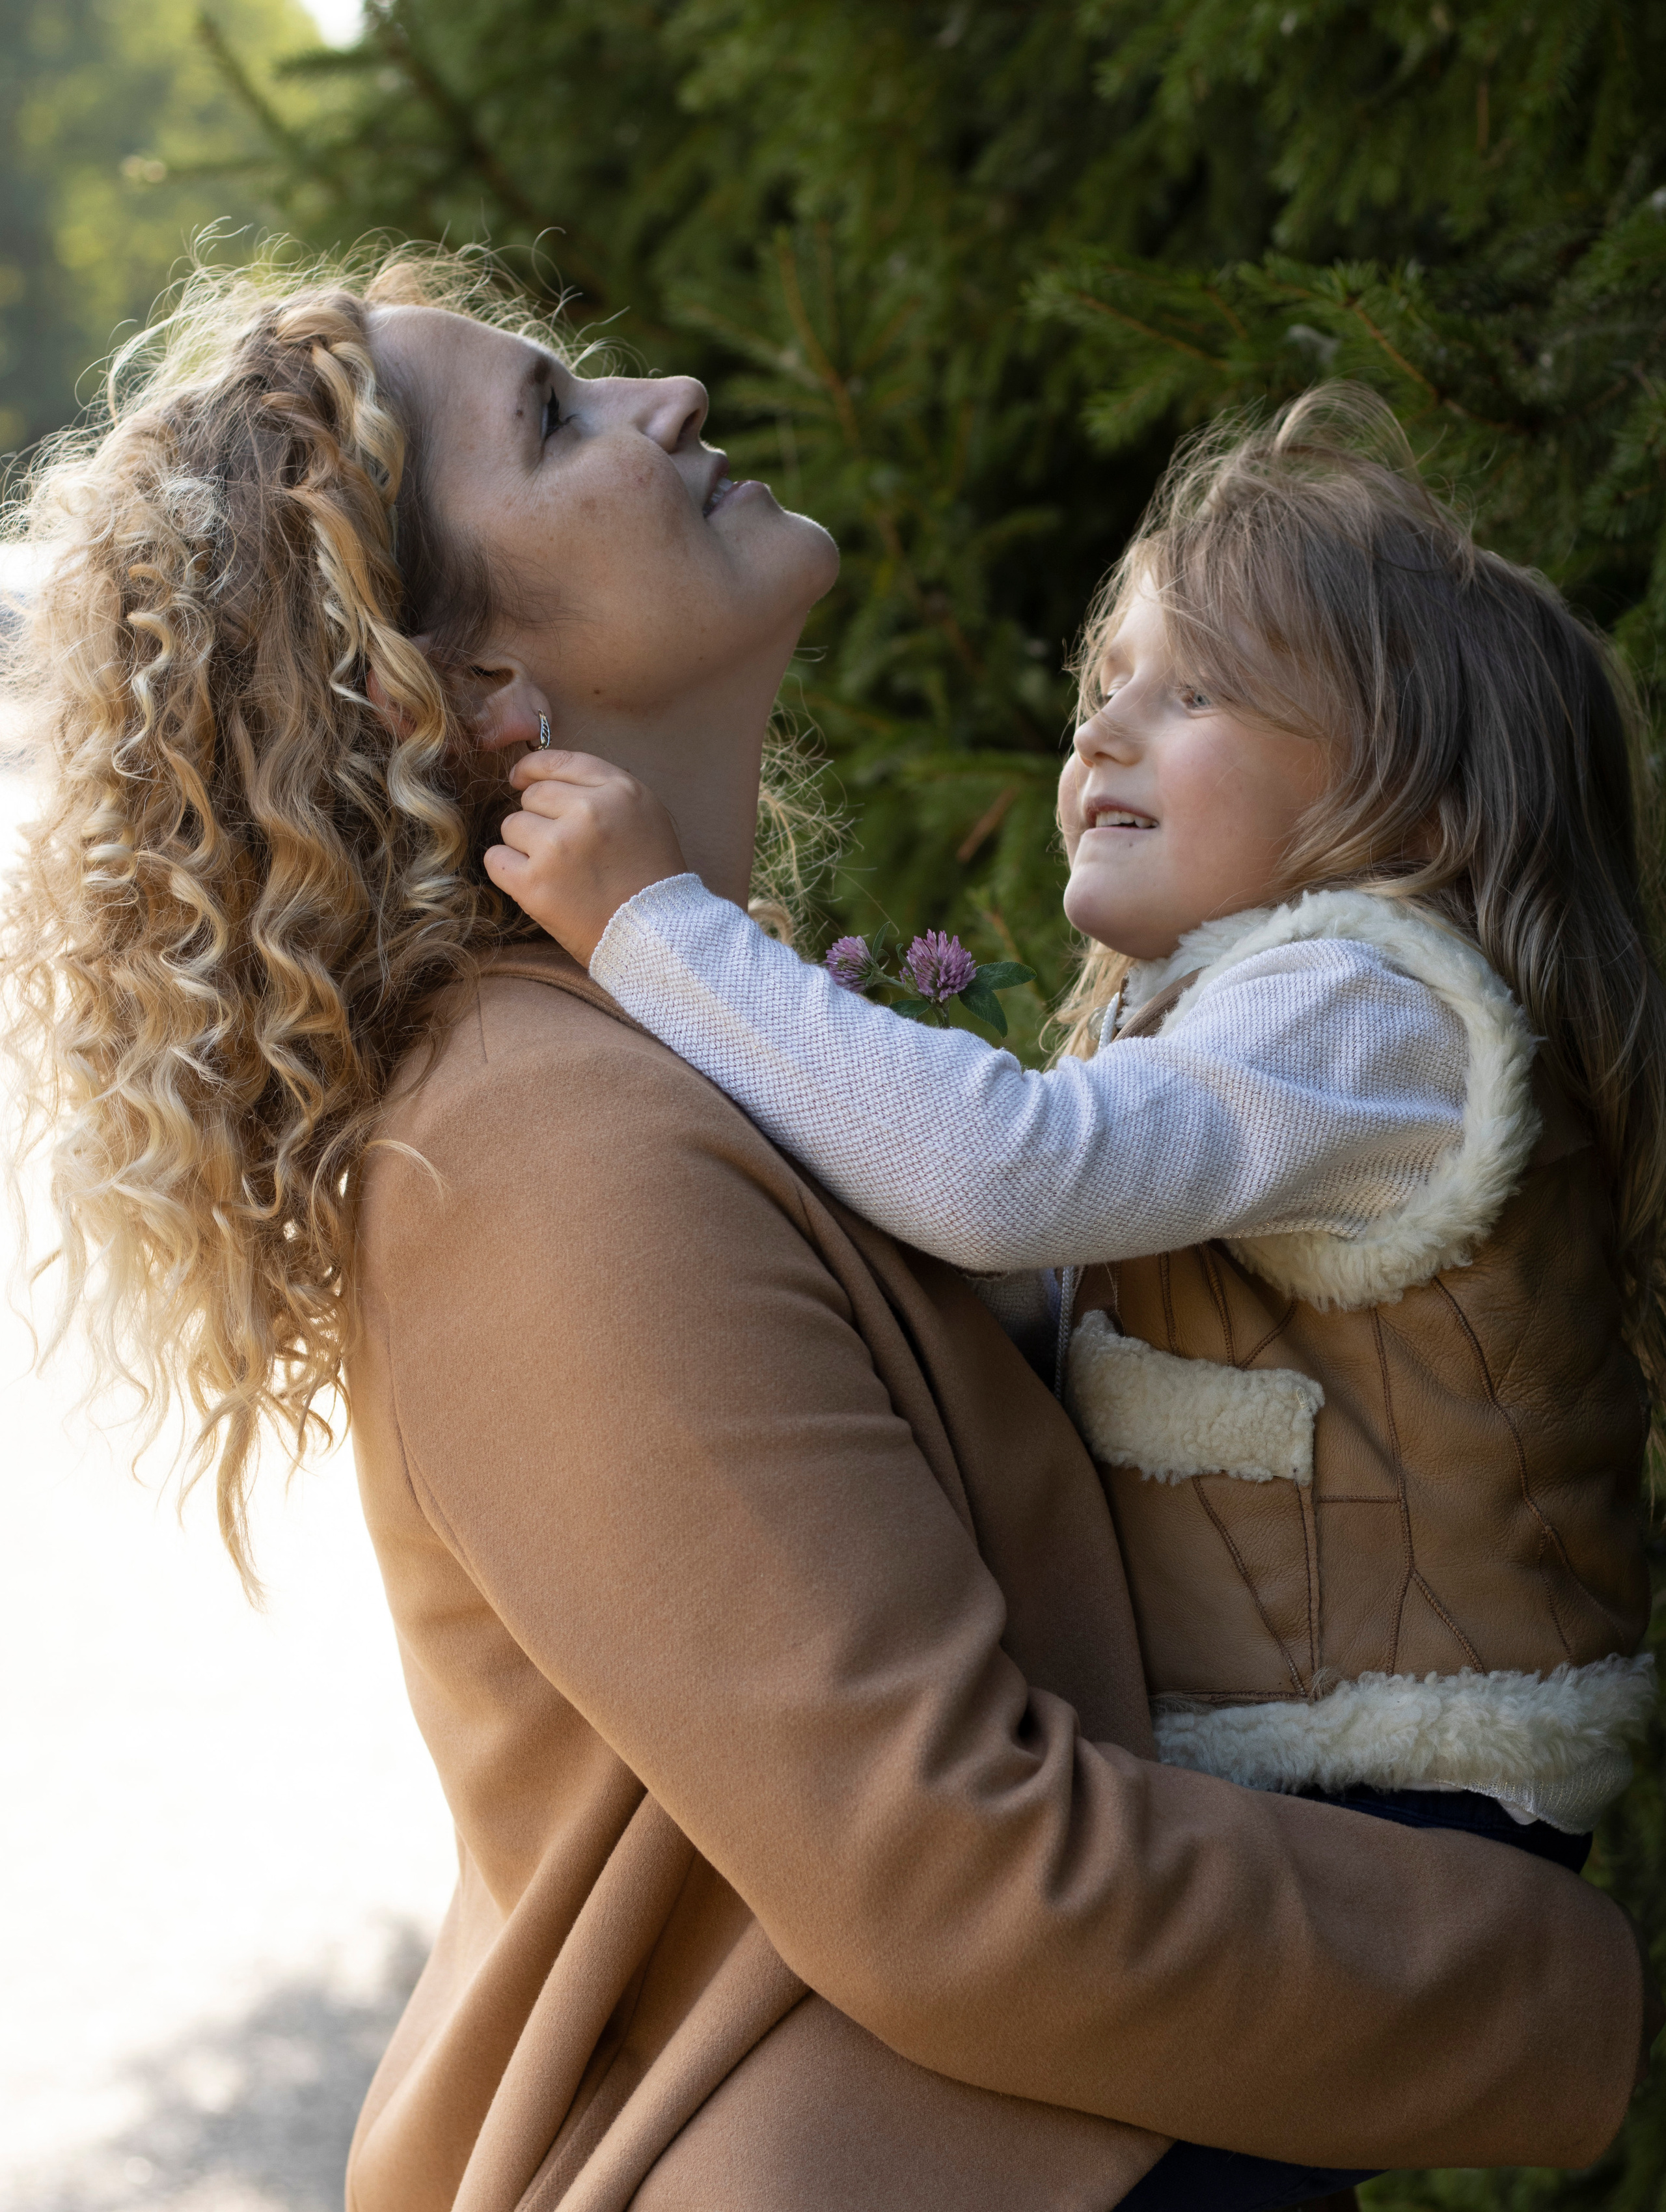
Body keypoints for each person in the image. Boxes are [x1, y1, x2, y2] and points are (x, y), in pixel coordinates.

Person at [0, 258, 1654, 2212]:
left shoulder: (692, 1048)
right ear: (456, 692)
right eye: (558, 417)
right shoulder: (541, 1152)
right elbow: (957, 1876)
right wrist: (1573, 1990)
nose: (675, 392)